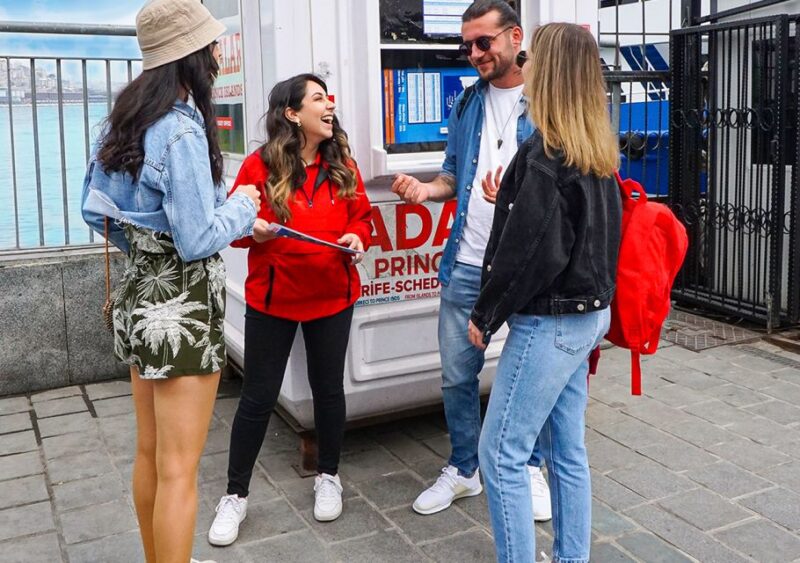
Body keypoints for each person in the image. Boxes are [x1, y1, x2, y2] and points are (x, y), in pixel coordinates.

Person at [80, 1, 261, 562]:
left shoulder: (124, 120)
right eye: (209, 47)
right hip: (181, 305)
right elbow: (198, 237)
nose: (215, 56)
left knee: (152, 456)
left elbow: (95, 212)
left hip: (142, 295)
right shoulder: (180, 129)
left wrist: (144, 247)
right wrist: (244, 207)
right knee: (182, 470)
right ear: (191, 56)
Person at [392, 0, 551, 520]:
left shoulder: (549, 100)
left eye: (484, 42)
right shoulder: (466, 104)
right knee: (457, 375)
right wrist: (424, 190)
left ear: (515, 37)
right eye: (467, 45)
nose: (475, 53)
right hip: (467, 261)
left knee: (531, 374)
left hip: (528, 267)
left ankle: (530, 467)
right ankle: (465, 469)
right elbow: (452, 177)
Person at [469, 23, 622, 563]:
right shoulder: (593, 149)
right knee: (565, 450)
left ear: (549, 70)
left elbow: (529, 253)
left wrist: (485, 314)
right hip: (586, 316)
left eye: (532, 56)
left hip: (552, 321)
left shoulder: (547, 156)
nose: (523, 64)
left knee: (501, 454)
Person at [207, 73, 372, 546]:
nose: (330, 104)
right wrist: (252, 230)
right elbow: (231, 228)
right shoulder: (260, 166)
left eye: (329, 96)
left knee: (328, 391)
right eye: (318, 98)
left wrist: (358, 237)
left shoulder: (343, 163)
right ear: (292, 114)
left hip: (333, 296)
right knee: (257, 397)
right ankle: (235, 496)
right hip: (273, 300)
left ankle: (329, 476)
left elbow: (362, 217)